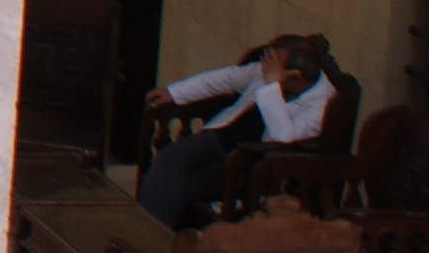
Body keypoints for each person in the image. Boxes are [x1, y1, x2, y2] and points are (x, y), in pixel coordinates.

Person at [135, 34, 340, 226]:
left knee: (176, 183)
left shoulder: (321, 104)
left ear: (295, 78)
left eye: (271, 65)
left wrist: (271, 87)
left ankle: (148, 239)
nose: (263, 67)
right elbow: (227, 78)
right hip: (219, 137)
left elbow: (283, 138)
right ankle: (144, 235)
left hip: (248, 162)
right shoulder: (269, 71)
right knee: (169, 159)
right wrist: (175, 93)